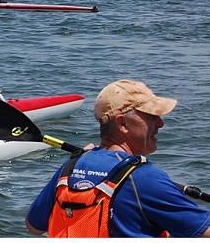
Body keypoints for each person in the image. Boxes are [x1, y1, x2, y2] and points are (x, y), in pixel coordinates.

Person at [25, 79, 210, 238]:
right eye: (151, 116)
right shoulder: (145, 178)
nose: (160, 123)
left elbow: (33, 226)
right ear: (122, 123)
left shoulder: (71, 167)